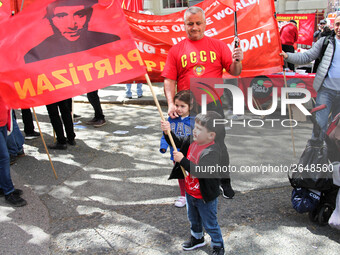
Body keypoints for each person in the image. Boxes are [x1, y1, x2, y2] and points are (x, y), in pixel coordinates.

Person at [162, 6, 243, 199]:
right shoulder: (176, 50)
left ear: (205, 23)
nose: (195, 27)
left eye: (198, 23)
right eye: (190, 23)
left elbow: (235, 71)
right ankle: (189, 185)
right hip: (187, 108)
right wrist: (171, 104)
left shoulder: (219, 46)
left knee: (219, 145)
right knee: (184, 145)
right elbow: (169, 80)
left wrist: (238, 60)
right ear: (185, 25)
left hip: (212, 105)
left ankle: (224, 182)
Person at [161, 111, 226, 255]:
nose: (194, 130)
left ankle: (218, 245)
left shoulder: (212, 151)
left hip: (205, 196)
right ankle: (197, 238)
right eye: (195, 127)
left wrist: (182, 160)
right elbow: (177, 142)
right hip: (190, 192)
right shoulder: (192, 140)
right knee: (193, 219)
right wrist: (168, 132)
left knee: (210, 223)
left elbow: (201, 171)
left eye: (199, 129)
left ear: (211, 135)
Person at [280, 14, 340, 139]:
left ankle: (334, 156)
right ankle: (314, 153)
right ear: (333, 26)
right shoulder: (325, 41)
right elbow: (307, 56)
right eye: (337, 24)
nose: (339, 28)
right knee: (320, 125)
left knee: (337, 130)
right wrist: (287, 56)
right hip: (326, 91)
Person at [24, 0, 120, 63]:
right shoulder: (35, 56)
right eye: (61, 16)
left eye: (79, 15)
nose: (71, 25)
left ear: (89, 16)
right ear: (50, 19)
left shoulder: (110, 42)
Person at [160, 90, 197, 207]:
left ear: (190, 106)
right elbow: (165, 135)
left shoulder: (196, 120)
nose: (179, 109)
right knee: (180, 175)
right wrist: (163, 146)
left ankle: (194, 192)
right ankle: (183, 195)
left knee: (192, 174)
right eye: (176, 105)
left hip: (191, 154)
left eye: (182, 106)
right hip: (175, 154)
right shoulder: (171, 119)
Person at [0, 95, 27, 207]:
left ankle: (3, 186)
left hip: (3, 120)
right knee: (4, 157)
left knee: (2, 157)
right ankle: (8, 191)